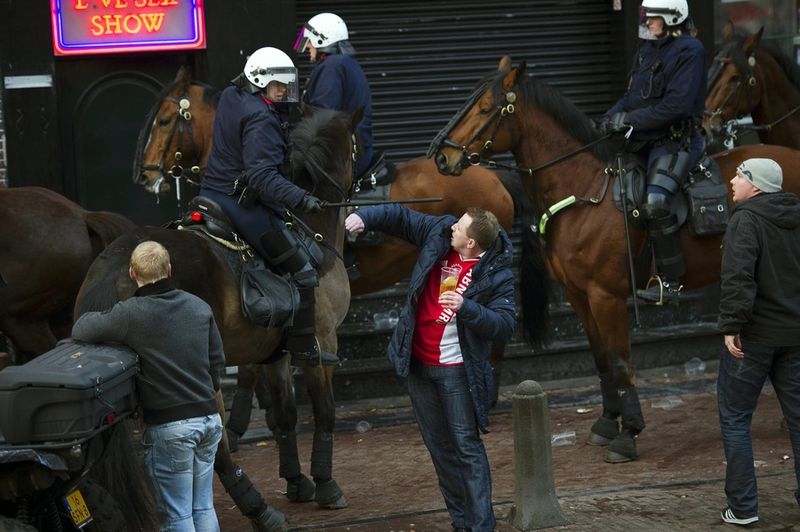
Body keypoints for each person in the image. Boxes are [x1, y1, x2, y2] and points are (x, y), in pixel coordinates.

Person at [345, 205, 516, 531]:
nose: (453, 227)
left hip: (456, 371)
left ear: (471, 244)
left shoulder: (497, 273)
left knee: (466, 449)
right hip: (419, 365)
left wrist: (467, 308)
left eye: (461, 227)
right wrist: (365, 217)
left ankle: (481, 527)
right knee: (440, 452)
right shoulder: (440, 233)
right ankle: (461, 523)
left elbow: (505, 324)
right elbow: (401, 217)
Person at [72, 241, 227, 531]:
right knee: (203, 507)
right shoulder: (199, 306)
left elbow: (81, 329)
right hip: (208, 420)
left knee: (178, 515)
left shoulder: (130, 313)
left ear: (132, 274)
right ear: (169, 270)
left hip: (171, 428)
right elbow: (217, 362)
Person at [199, 46, 338, 366]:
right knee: (303, 271)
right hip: (240, 205)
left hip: (212, 191)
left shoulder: (232, 95)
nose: (285, 93)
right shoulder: (262, 117)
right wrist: (301, 198)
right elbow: (262, 177)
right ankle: (303, 347)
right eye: (279, 86)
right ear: (258, 81)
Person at [597, 0, 705, 304]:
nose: (646, 22)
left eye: (652, 18)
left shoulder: (690, 51)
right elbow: (632, 97)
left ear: (672, 18)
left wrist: (629, 121)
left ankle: (669, 284)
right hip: (643, 141)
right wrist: (607, 119)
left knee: (655, 202)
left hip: (675, 141)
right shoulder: (648, 48)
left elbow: (677, 105)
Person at [716, 158, 800, 526]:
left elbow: (738, 275)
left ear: (757, 186)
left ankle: (744, 507)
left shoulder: (746, 219)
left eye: (740, 175)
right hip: (795, 336)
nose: (732, 181)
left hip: (753, 339)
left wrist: (732, 325)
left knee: (735, 417)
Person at [293, 12, 374, 178]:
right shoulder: (345, 63)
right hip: (356, 150)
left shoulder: (332, 67)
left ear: (323, 39)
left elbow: (321, 120)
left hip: (342, 156)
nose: (307, 46)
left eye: (309, 42)